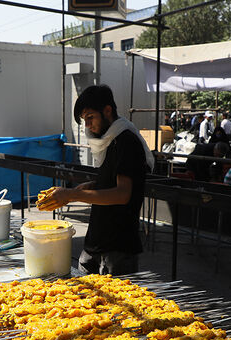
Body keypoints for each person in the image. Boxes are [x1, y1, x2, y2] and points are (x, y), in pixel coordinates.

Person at [37, 85, 153, 275]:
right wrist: (86, 187)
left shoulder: (126, 141)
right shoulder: (109, 140)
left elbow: (122, 194)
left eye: (90, 117)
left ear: (107, 111)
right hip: (95, 244)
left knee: (116, 303)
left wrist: (73, 194)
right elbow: (109, 182)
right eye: (85, 120)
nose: (88, 126)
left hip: (118, 248)